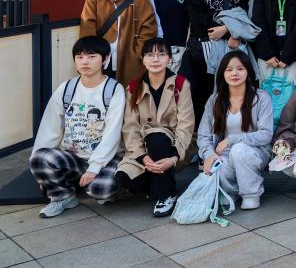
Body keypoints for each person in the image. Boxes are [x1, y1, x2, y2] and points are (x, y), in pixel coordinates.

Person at [30, 36, 126, 217]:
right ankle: (63, 197)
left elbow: (112, 134)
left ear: (105, 59)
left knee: (101, 190)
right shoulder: (66, 88)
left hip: (105, 158)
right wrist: (41, 173)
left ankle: (95, 184)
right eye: (79, 57)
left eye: (91, 57)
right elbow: (49, 127)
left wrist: (94, 167)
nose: (84, 62)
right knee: (39, 157)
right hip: (73, 157)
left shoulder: (114, 90)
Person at [115, 37, 195, 217]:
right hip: (144, 149)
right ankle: (158, 184)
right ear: (142, 59)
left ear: (170, 58)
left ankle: (166, 194)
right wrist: (143, 157)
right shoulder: (133, 87)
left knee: (158, 137)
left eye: (161, 54)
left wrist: (173, 157)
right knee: (123, 179)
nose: (155, 59)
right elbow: (130, 127)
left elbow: (186, 125)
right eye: (150, 55)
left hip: (174, 146)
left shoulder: (181, 84)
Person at [184, 0, 251, 122]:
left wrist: (227, 30)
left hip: (233, 44)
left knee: (232, 88)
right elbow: (196, 17)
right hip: (206, 47)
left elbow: (243, 12)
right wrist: (225, 31)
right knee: (204, 91)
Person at [198, 50, 273, 209]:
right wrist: (209, 154)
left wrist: (232, 139)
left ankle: (251, 193)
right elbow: (203, 135)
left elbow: (266, 135)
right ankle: (231, 191)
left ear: (248, 72)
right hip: (224, 152)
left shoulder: (261, 97)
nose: (234, 73)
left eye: (240, 69)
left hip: (255, 150)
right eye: (229, 69)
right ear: (222, 74)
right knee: (219, 165)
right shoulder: (215, 100)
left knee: (239, 150)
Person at [80, 0, 158, 84]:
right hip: (101, 59)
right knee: (101, 92)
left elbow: (149, 30)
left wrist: (136, 54)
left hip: (129, 61)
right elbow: (87, 28)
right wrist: (92, 55)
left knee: (128, 94)